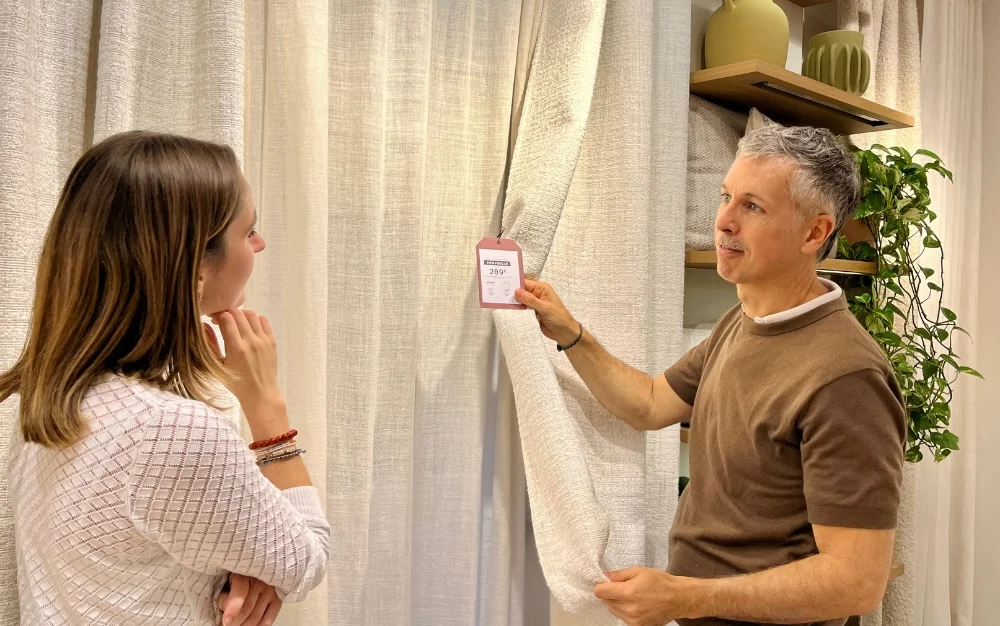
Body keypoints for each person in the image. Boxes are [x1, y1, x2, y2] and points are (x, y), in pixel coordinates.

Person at [515, 125, 906, 626]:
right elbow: (650, 402)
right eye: (726, 197)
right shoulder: (741, 322)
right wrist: (570, 333)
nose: (722, 221)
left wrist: (684, 597)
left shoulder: (847, 378)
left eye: (753, 207)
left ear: (814, 233)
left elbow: (855, 581)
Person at [0, 131, 330, 625]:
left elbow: (146, 554)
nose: (259, 244)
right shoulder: (171, 430)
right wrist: (267, 409)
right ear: (194, 264)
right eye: (248, 231)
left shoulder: (56, 397)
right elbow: (307, 561)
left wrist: (246, 571)